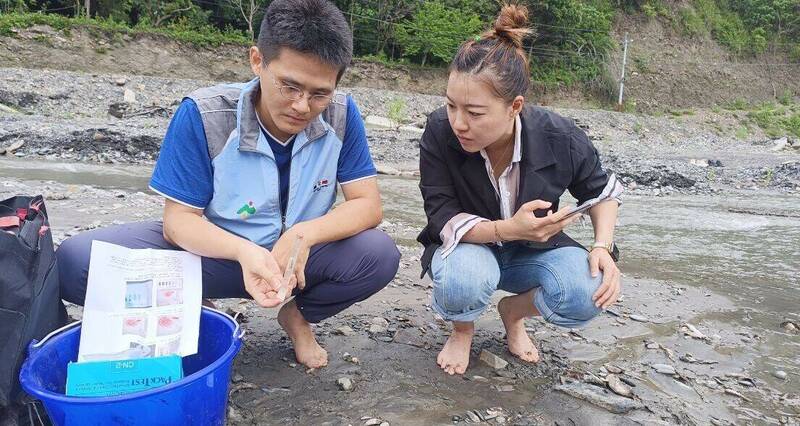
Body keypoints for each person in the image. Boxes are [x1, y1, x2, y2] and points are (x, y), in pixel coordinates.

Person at [57, 0, 400, 369]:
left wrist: (305, 234)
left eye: (319, 93)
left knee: (379, 255)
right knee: (75, 262)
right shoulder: (205, 115)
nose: (302, 106)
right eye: (289, 87)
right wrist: (243, 252)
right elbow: (178, 222)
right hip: (218, 255)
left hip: (296, 261)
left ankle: (297, 318)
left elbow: (367, 204)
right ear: (257, 61)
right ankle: (197, 303)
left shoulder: (342, 115)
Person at [417, 4, 623, 375]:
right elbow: (441, 213)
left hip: (534, 251)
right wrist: (506, 229)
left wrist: (601, 246)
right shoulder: (439, 132)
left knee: (588, 289)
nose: (459, 123)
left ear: (515, 107)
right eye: (451, 106)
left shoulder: (559, 136)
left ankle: (513, 311)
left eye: (474, 113)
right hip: (470, 248)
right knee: (462, 280)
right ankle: (462, 329)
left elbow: (600, 193)